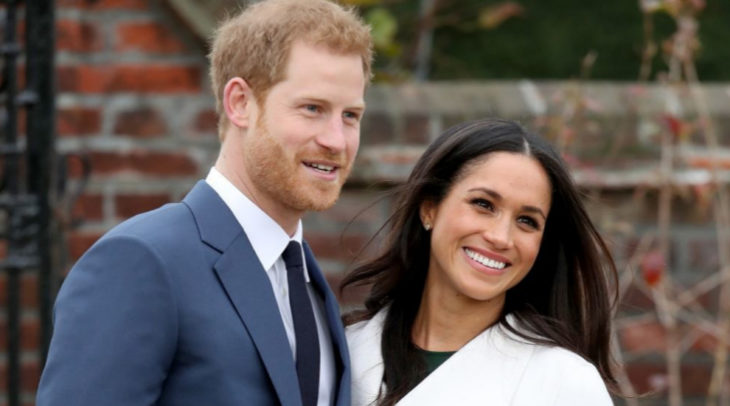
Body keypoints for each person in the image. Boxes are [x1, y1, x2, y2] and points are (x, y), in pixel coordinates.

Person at [37, 1, 372, 405]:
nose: (336, 140)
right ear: (240, 103)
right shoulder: (141, 260)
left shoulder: (305, 278)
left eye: (350, 115)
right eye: (312, 109)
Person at [342, 118, 620, 405]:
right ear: (429, 208)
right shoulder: (344, 351)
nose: (501, 237)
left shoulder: (564, 383)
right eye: (483, 204)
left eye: (527, 221)